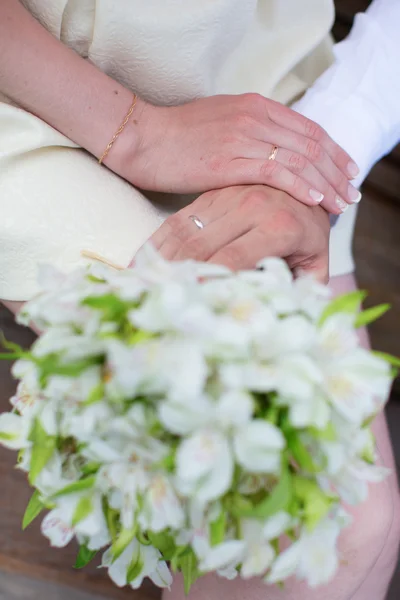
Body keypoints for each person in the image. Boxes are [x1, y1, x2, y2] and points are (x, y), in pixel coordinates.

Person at [0, 1, 398, 599]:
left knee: (348, 529)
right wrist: (135, 131)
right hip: (21, 82)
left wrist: (314, 160)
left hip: (251, 91)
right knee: (283, 531)